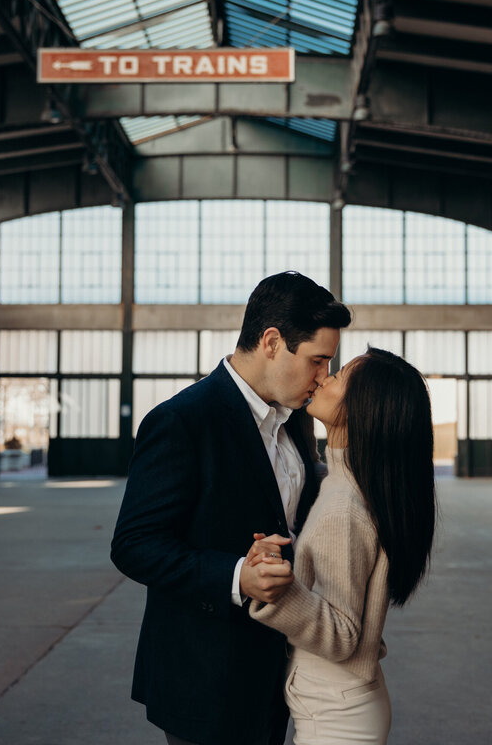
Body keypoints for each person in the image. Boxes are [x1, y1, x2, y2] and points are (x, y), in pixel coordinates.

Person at [111, 271, 352, 745]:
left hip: (278, 670)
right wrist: (236, 575)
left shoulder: (295, 419)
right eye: (317, 360)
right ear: (271, 341)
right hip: (206, 677)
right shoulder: (182, 421)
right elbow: (134, 545)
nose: (323, 377)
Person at [248, 347, 437, 745]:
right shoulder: (354, 484)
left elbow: (343, 633)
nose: (323, 377)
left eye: (340, 375)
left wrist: (277, 588)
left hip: (336, 716)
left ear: (361, 407)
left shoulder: (343, 506)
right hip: (345, 705)